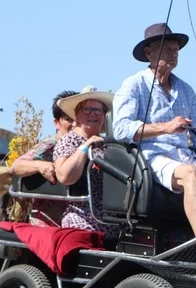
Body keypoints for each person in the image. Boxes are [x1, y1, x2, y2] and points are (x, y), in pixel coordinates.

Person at [113, 23, 196, 258]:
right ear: (149, 53)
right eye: (167, 48)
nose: (173, 53)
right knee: (189, 173)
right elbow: (121, 129)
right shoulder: (133, 84)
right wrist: (166, 127)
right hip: (151, 159)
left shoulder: (185, 89)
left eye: (176, 49)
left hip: (186, 156)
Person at [52, 87, 119, 237]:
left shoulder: (107, 143)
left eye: (98, 110)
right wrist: (85, 147)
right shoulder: (69, 140)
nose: (93, 114)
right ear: (76, 114)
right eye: (87, 109)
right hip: (84, 218)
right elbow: (65, 177)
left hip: (112, 218)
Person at [7, 90, 78, 225]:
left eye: (77, 119)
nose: (74, 124)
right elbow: (16, 166)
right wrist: (41, 165)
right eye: (68, 119)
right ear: (57, 123)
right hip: (50, 224)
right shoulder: (52, 144)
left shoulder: (85, 147)